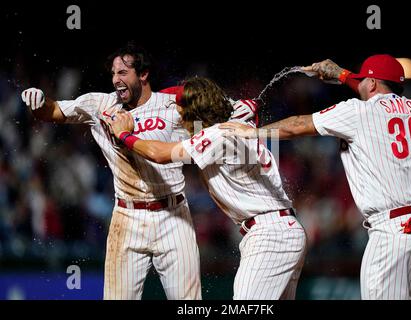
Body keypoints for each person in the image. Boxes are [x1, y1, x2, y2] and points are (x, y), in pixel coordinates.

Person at [220, 54, 411, 300]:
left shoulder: (356, 111)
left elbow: (297, 125)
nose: (358, 83)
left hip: (394, 232)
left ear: (371, 83)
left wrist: (253, 132)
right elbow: (378, 93)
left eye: (363, 80)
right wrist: (342, 74)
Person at [21, 43, 203, 300]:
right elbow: (54, 111)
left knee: (189, 304)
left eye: (123, 72)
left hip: (173, 215)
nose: (116, 79)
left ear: (143, 74)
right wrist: (38, 101)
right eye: (113, 73)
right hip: (127, 217)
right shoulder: (101, 104)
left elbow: (209, 134)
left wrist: (239, 117)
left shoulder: (174, 106)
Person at [107, 77, 307, 300]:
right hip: (284, 228)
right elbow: (221, 101)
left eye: (180, 109)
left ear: (194, 111)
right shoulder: (237, 117)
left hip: (270, 236)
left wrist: (124, 134)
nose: (177, 114)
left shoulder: (216, 135)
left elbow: (159, 154)